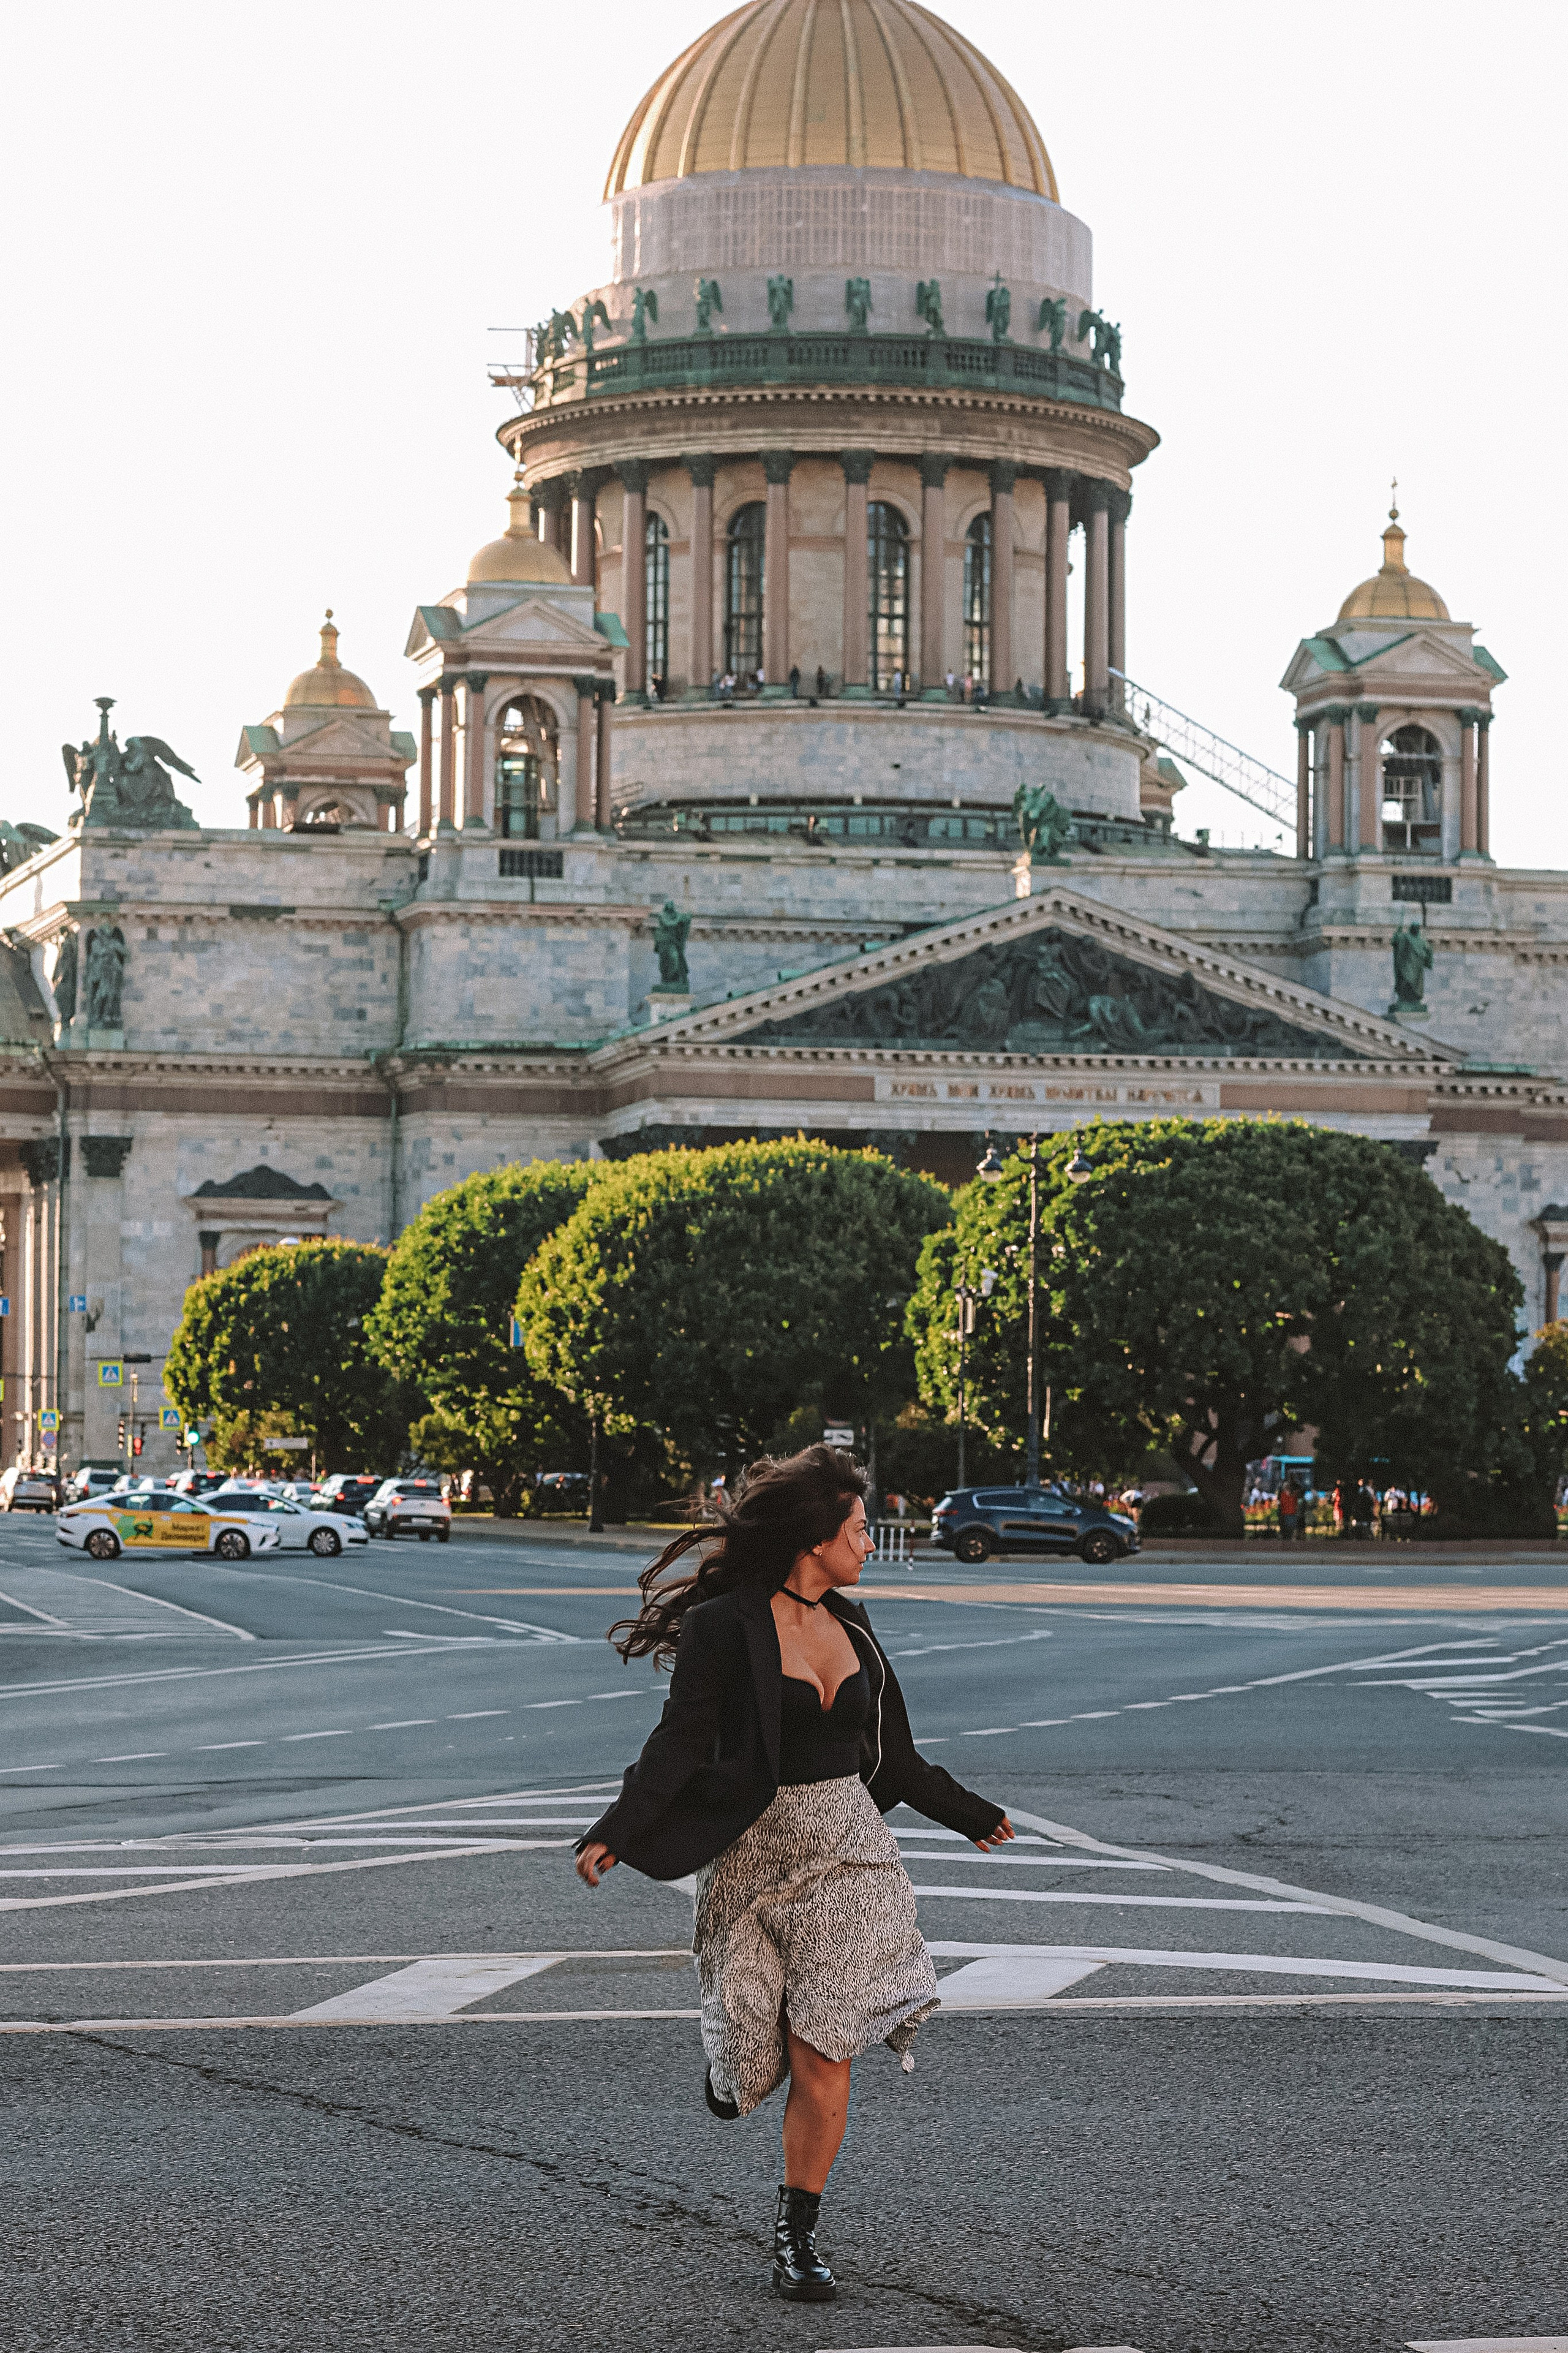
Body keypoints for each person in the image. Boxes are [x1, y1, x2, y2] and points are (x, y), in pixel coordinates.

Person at [575, 1445, 1012, 2304]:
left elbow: (898, 1754)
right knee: (749, 2063)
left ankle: (797, 2233)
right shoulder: (725, 1627)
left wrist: (969, 1814)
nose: (866, 1544)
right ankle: (731, 2062)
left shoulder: (854, 1626)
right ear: (815, 1538)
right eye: (857, 1530)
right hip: (752, 1852)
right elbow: (680, 1743)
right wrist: (617, 1830)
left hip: (851, 1853)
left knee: (825, 2047)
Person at [1278, 1476, 1303, 1541]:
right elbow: (1281, 1504)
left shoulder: (1294, 1494)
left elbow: (1296, 1503)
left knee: (1292, 1529)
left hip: (1292, 1514)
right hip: (1285, 1514)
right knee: (1286, 1530)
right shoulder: (1282, 1495)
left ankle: (1291, 1540)